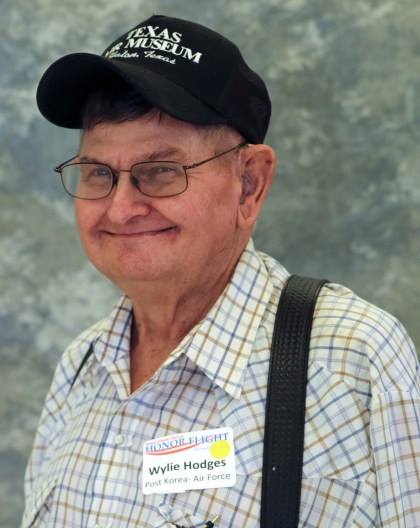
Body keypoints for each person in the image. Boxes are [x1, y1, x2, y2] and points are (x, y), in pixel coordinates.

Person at [22, 14, 419, 528]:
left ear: (249, 183)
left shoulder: (350, 357)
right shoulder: (82, 366)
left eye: (160, 171)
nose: (120, 210)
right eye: (98, 173)